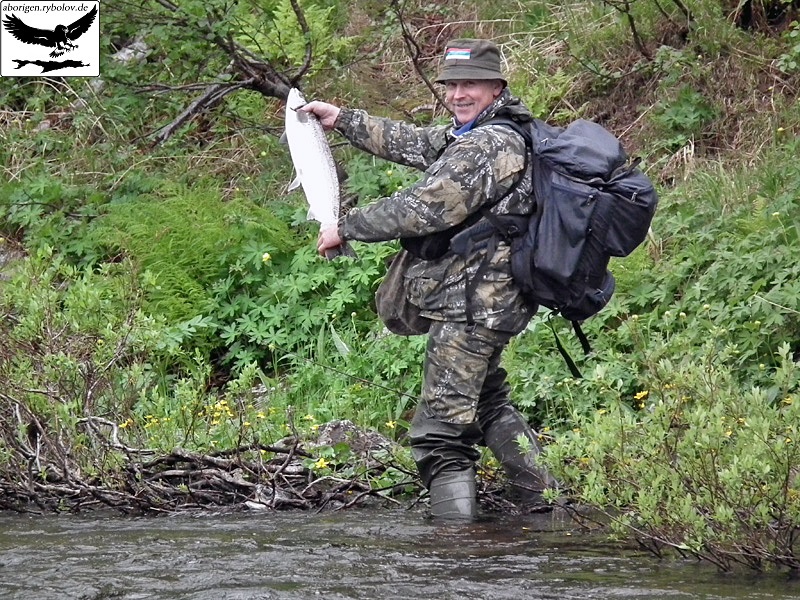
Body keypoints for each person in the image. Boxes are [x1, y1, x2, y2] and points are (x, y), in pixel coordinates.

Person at [303, 38, 558, 520]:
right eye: (452, 84)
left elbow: (423, 208)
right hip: (488, 301)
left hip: (473, 305)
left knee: (440, 432)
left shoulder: (490, 144)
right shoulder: (476, 133)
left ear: (497, 86)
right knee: (487, 401)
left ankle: (454, 550)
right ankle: (546, 508)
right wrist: (343, 120)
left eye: (471, 85)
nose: (458, 94)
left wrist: (345, 226)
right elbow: (416, 142)